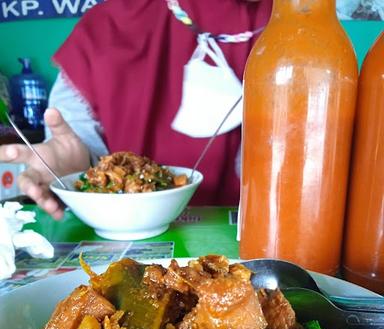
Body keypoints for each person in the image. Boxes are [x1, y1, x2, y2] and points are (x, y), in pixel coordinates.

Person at [0, 0, 271, 219]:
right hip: (124, 240)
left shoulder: (302, 21)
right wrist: (75, 168)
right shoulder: (107, 28)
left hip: (264, 233)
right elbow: (72, 137)